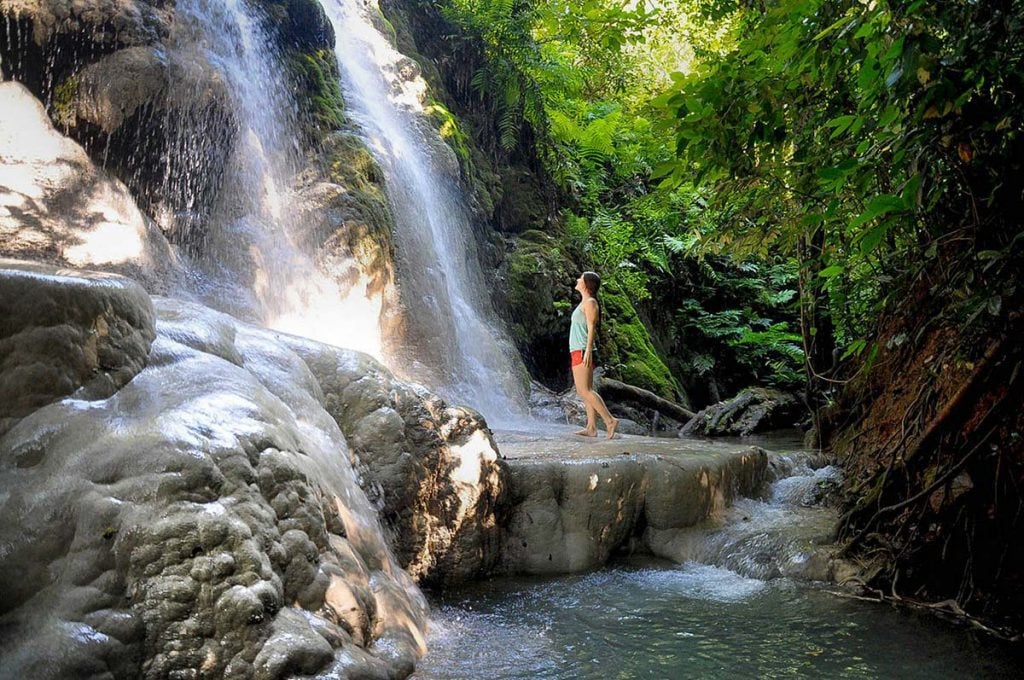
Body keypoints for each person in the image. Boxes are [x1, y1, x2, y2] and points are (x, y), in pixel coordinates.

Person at [569, 271, 618, 438]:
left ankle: (609, 420)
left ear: (586, 284)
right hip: (579, 349)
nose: (577, 280)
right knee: (586, 390)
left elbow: (591, 327)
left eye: (580, 278)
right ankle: (591, 428)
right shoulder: (585, 302)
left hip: (583, 349)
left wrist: (588, 349)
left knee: (584, 391)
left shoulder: (590, 302)